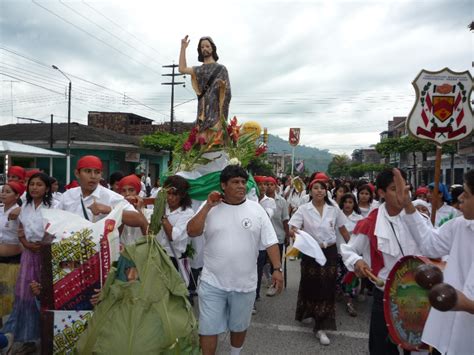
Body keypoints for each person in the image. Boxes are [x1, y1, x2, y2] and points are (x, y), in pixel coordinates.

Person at [186, 165, 283, 355]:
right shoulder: (210, 208)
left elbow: (271, 241)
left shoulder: (256, 210)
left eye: (243, 182)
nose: (241, 186)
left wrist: (277, 269)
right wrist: (207, 206)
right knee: (208, 328)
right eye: (235, 182)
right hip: (212, 282)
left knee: (239, 327)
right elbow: (192, 230)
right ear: (223, 185)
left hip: (245, 284)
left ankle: (235, 353)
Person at [340, 168, 421, 355]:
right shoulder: (371, 222)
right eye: (394, 189)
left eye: (404, 188)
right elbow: (348, 249)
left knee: (417, 347)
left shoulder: (419, 219)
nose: (401, 194)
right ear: (381, 193)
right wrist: (358, 262)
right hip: (385, 295)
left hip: (418, 296)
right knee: (382, 348)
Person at [396, 169, 474, 354]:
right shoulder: (460, 225)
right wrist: (408, 204)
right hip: (445, 334)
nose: (460, 198)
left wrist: (469, 306)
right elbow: (430, 244)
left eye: (467, 194)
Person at [289, 178, 351, 346]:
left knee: (327, 286)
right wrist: (295, 233)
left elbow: (343, 229)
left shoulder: (334, 209)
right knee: (311, 284)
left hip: (329, 251)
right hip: (310, 252)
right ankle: (309, 312)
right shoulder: (304, 209)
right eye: (315, 188)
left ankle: (320, 326)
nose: (319, 191)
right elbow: (292, 227)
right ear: (310, 192)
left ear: (326, 191)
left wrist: (353, 250)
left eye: (322, 188)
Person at [1, 172, 54, 354]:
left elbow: (58, 229)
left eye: (39, 185)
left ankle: (48, 337)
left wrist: (43, 246)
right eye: (32, 184)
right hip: (29, 256)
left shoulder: (54, 206)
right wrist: (26, 244)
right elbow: (21, 231)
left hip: (48, 257)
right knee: (25, 296)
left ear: (46, 188)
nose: (34, 188)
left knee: (46, 295)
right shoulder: (26, 207)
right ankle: (28, 338)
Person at [58, 156, 148, 233]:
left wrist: (109, 210)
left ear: (101, 174)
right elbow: (55, 221)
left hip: (101, 251)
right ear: (77, 173)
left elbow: (139, 219)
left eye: (97, 172)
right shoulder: (68, 196)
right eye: (88, 171)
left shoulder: (111, 197)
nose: (93, 176)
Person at [179, 35, 232, 136]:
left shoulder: (221, 69)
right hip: (202, 112)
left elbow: (227, 94)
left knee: (214, 139)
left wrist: (222, 118)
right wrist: (183, 48)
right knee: (201, 139)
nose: (205, 49)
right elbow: (182, 69)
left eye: (207, 46)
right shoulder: (198, 70)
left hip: (216, 113)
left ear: (212, 48)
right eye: (202, 47)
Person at [155, 175, 194, 281]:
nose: (170, 197)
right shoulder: (162, 206)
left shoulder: (187, 213)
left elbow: (173, 236)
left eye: (175, 194)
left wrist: (162, 216)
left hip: (173, 258)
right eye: (168, 193)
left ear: (182, 195)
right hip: (156, 255)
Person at [0, 181, 25, 322]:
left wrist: (22, 209)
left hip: (13, 262)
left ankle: (9, 333)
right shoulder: (0, 209)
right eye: (3, 190)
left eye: (8, 191)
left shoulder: (20, 212)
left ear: (17, 195)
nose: (3, 193)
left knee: (9, 297)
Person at [336, 193, 363, 317]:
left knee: (351, 279)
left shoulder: (359, 219)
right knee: (337, 276)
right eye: (345, 202)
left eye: (350, 202)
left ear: (354, 204)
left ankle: (349, 302)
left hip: (352, 254)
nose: (347, 205)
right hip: (337, 251)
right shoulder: (335, 215)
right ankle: (338, 294)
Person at [265, 176, 290, 297]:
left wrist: (287, 235)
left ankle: (274, 284)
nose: (269, 186)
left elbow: (285, 219)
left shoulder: (281, 201)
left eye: (271, 184)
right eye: (267, 184)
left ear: (276, 186)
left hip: (277, 236)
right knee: (263, 261)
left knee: (275, 261)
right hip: (262, 238)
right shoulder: (259, 200)